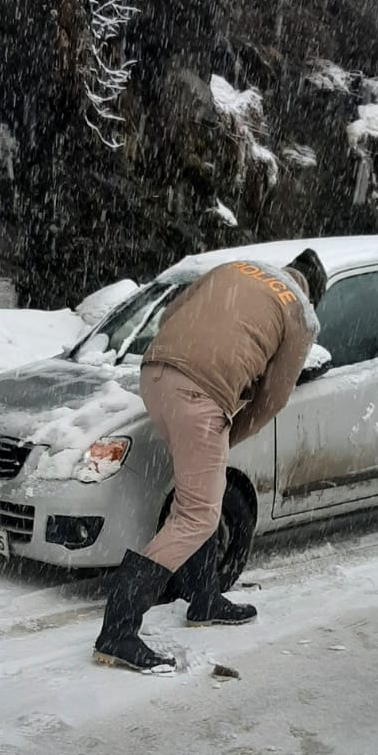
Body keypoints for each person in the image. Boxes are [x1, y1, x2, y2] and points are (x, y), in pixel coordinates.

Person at [93, 249, 327, 673]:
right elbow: (273, 398)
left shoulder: (235, 268)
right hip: (200, 395)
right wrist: (228, 432)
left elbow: (171, 315)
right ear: (313, 294)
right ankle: (118, 630)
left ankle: (204, 597)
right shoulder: (301, 314)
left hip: (156, 373)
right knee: (198, 515)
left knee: (201, 493)